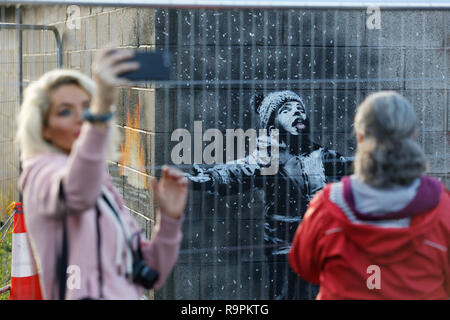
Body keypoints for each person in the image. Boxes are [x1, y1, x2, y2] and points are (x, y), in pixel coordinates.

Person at [16, 48, 189, 300]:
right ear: (43, 129)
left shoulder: (100, 183)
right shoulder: (38, 174)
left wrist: (170, 219)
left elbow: (151, 272)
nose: (81, 118)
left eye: (86, 107)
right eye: (65, 111)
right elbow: (76, 192)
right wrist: (100, 109)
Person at [187, 90, 352, 299]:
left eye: (300, 109)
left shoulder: (319, 155)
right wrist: (211, 179)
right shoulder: (268, 158)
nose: (297, 113)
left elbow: (352, 168)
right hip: (284, 247)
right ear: (273, 126)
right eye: (287, 111)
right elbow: (238, 171)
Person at [289, 91, 450, 299]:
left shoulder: (326, 207)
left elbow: (305, 267)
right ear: (413, 137)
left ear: (360, 138)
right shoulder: (442, 208)